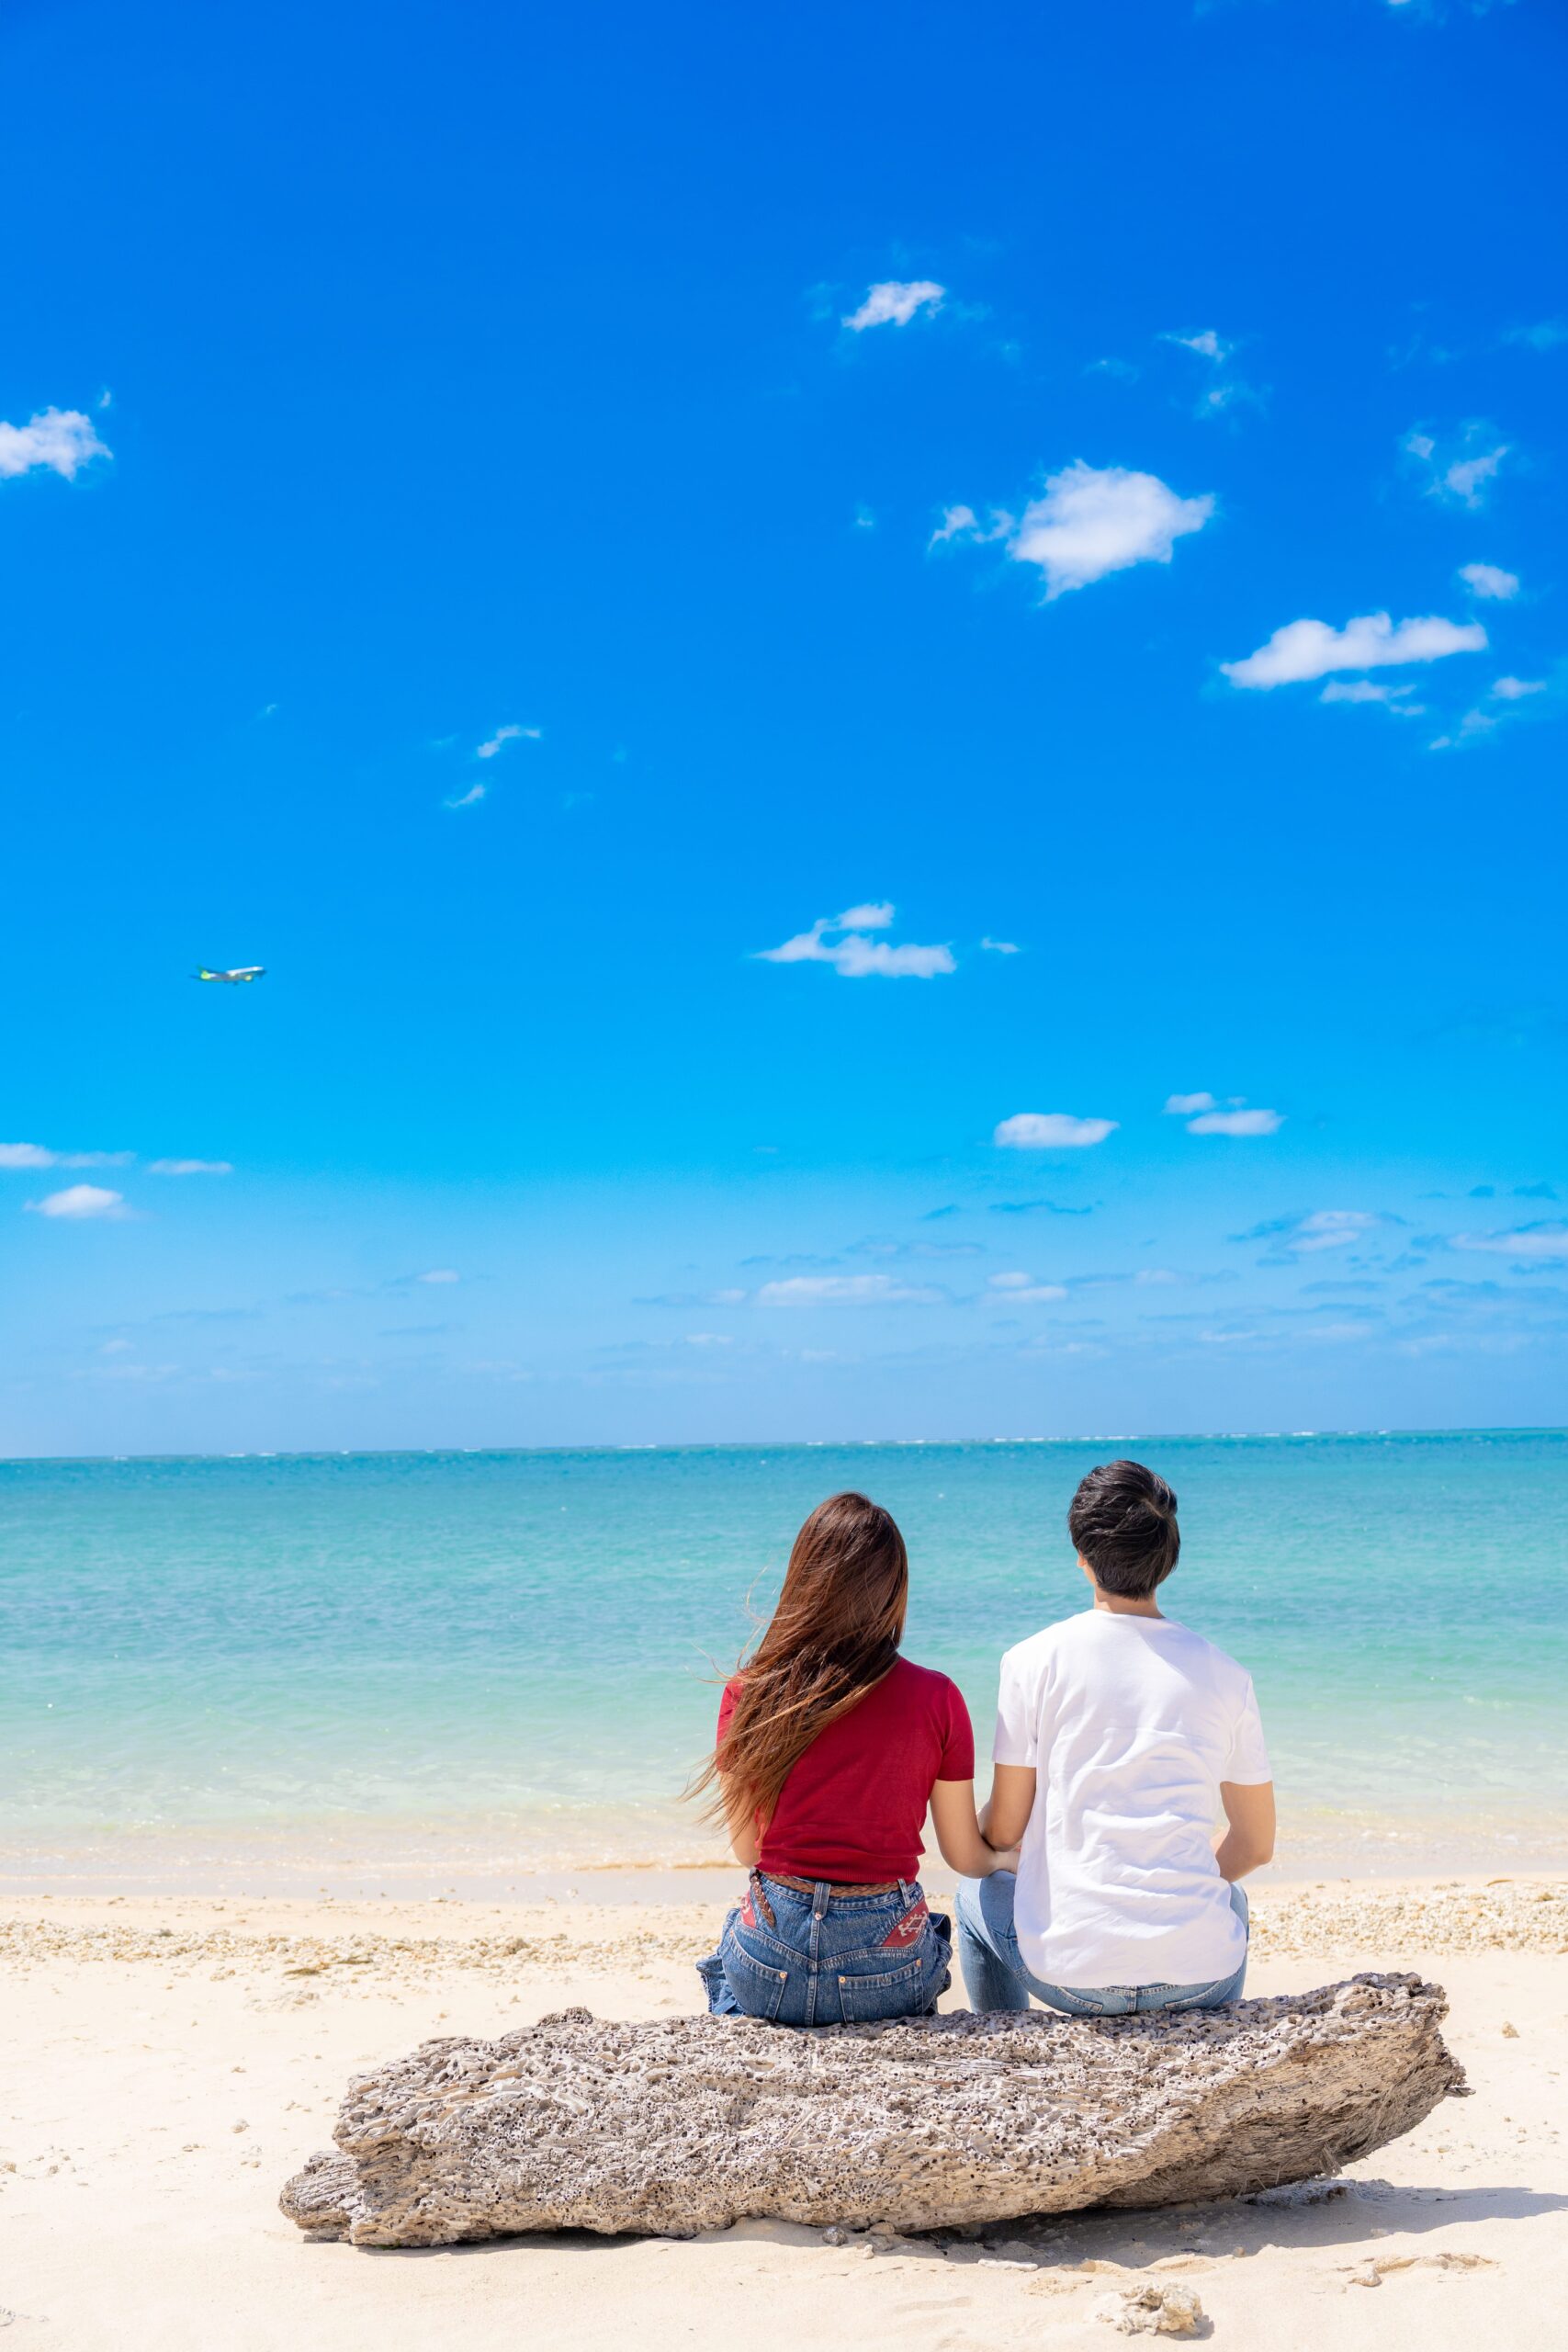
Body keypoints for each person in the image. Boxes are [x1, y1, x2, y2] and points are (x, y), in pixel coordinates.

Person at [957, 1459, 1275, 2017]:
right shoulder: (1227, 1674)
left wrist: (996, 1846)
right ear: (1169, 1560)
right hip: (1203, 1977)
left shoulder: (1031, 1660)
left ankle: (1006, 2040)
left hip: (1072, 1979)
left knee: (973, 1894)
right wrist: (1175, 1896)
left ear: (1083, 1558)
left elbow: (1005, 1826)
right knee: (1230, 1899)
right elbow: (1256, 1844)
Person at [694, 1489, 1017, 2027]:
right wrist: (1005, 1860)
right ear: (894, 1589)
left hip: (769, 1962)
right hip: (884, 1961)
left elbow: (748, 1848)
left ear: (803, 1582)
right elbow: (965, 1857)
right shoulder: (937, 1697)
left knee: (732, 1953)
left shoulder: (748, 1692)